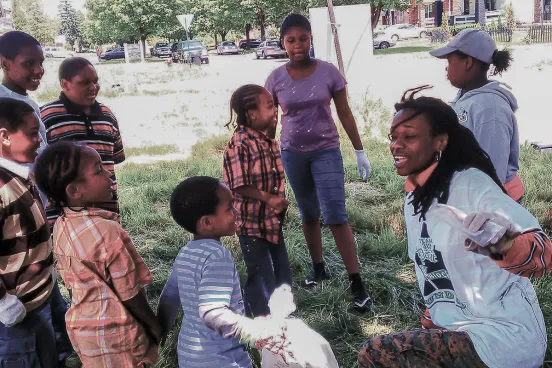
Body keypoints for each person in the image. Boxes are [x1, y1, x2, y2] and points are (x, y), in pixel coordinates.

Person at [358, 86, 550, 368]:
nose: (395, 145)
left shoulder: (471, 184)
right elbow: (437, 276)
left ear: (440, 142)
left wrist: (503, 243)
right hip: (460, 333)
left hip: (502, 339)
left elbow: (544, 256)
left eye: (409, 136)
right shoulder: (415, 198)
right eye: (393, 137)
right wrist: (429, 326)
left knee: (377, 353)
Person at [264, 13, 371, 310]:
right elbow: (270, 120)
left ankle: (356, 282)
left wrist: (359, 150)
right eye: (291, 40)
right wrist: (268, 154)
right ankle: (318, 268)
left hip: (326, 151)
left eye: (303, 38)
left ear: (311, 39)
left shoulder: (329, 73)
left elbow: (345, 113)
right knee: (308, 214)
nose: (298, 45)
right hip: (292, 153)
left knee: (336, 215)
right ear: (283, 43)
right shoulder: (275, 78)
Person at [34, 140, 161, 368]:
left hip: (84, 333)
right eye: (98, 170)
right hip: (119, 337)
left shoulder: (62, 225)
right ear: (74, 191)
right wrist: (153, 325)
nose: (108, 175)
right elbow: (130, 293)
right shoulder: (108, 232)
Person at [157, 176, 289, 368]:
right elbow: (212, 312)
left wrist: (159, 331)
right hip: (221, 359)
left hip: (189, 356)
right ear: (207, 222)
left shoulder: (186, 252)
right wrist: (254, 330)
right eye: (229, 208)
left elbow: (169, 298)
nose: (236, 212)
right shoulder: (218, 256)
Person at [0, 98, 72, 368]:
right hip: (16, 312)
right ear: (5, 137)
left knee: (52, 355)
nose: (40, 141)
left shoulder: (19, 175)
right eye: (32, 134)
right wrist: (4, 303)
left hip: (41, 294)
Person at [222, 84, 293, 317]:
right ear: (252, 114)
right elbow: (237, 184)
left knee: (282, 271)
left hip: (271, 222)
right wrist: (269, 199)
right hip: (251, 224)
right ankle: (261, 321)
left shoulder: (263, 139)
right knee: (260, 275)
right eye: (270, 106)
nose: (275, 111)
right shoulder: (240, 143)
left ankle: (282, 315)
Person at [429, 28, 523, 201]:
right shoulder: (467, 96)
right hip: (469, 194)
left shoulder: (490, 109)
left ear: (468, 63)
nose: (446, 69)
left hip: (494, 206)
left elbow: (492, 172)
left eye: (450, 62)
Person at [41, 57, 125, 228]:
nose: (93, 87)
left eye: (95, 81)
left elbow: (116, 156)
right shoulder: (47, 117)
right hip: (64, 215)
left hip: (105, 208)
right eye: (85, 82)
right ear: (65, 85)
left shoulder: (107, 115)